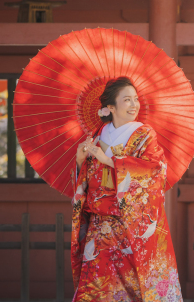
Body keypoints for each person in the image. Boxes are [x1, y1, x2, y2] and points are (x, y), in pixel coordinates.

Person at [70, 76, 183, 302]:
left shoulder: (145, 134)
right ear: (110, 107)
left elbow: (155, 171)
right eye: (127, 100)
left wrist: (112, 161)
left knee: (136, 290)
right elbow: (88, 182)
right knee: (96, 290)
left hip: (131, 226)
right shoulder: (97, 135)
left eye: (136, 99)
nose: (134, 105)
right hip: (100, 229)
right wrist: (81, 161)